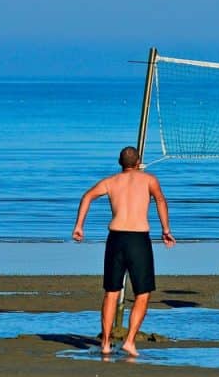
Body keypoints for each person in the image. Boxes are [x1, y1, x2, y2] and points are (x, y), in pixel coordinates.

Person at [72, 146, 176, 357]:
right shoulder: (149, 179)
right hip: (138, 239)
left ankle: (106, 344)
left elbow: (87, 197)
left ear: (120, 163)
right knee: (142, 293)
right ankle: (129, 341)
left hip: (116, 239)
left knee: (111, 292)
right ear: (139, 162)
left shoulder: (110, 181)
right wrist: (166, 229)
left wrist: (79, 226)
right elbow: (161, 201)